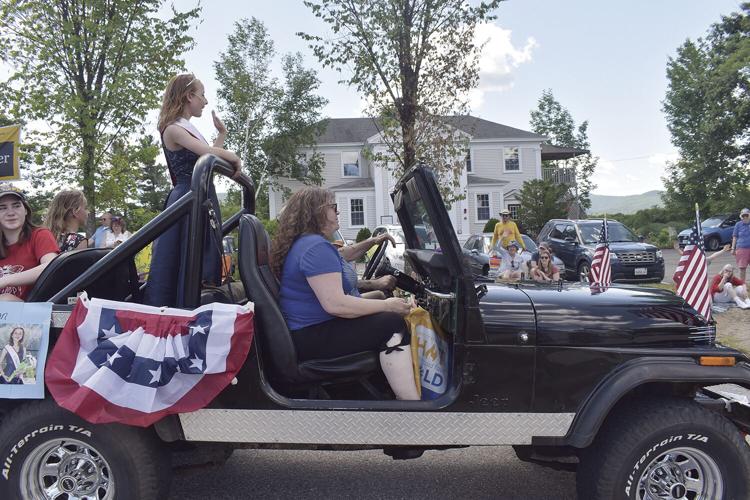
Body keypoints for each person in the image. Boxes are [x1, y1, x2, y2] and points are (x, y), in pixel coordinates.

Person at [271, 187, 419, 400]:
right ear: (317, 212)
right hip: (311, 336)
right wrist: (390, 306)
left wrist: (372, 241)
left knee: (381, 302)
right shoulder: (315, 248)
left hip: (306, 332)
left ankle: (385, 388)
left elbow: (343, 255)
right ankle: (412, 404)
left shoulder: (308, 243)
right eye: (334, 207)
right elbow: (337, 305)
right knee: (391, 323)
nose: (338, 212)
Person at [144, 73, 242, 307]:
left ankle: (200, 302)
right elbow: (206, 153)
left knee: (201, 261)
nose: (205, 101)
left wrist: (222, 136)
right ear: (189, 96)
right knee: (181, 259)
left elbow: (205, 156)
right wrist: (232, 156)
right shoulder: (173, 129)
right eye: (202, 95)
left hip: (201, 197)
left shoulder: (186, 129)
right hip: (187, 198)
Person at [0, 187, 59, 301]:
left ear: (26, 210)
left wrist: (5, 280)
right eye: (2, 208)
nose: (11, 213)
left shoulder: (40, 235)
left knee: (6, 300)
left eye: (16, 206)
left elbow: (51, 266)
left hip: (35, 311)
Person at [732, 208, 750, 284]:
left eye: (747, 215)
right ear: (741, 216)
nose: (745, 217)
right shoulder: (738, 224)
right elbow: (735, 236)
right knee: (742, 268)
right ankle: (742, 285)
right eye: (743, 215)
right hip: (741, 248)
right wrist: (733, 248)